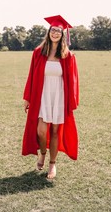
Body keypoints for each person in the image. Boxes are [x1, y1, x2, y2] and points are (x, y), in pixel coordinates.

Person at [22, 15, 79, 179]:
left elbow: (73, 80)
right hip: (42, 95)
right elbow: (31, 75)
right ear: (48, 32)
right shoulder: (38, 53)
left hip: (59, 96)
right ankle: (42, 153)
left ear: (62, 34)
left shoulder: (68, 56)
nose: (55, 33)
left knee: (54, 131)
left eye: (58, 31)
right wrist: (28, 98)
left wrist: (71, 101)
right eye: (53, 30)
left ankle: (52, 165)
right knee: (41, 130)